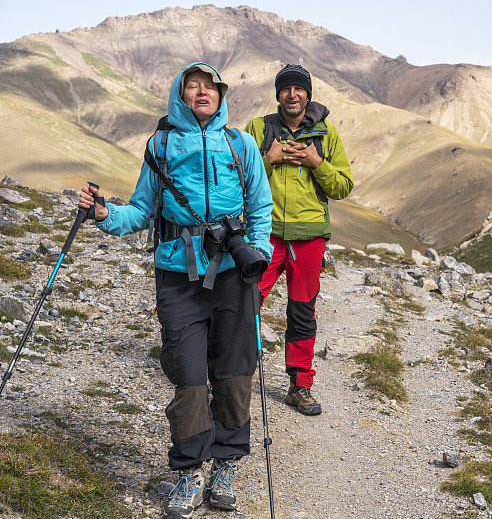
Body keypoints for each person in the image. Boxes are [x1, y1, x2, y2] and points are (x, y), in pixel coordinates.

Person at [78, 62, 274, 519]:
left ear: (222, 94)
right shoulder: (161, 145)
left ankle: (226, 464)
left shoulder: (241, 144)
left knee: (234, 372)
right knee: (186, 373)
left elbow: (261, 207)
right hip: (177, 275)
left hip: (232, 273)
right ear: (180, 94)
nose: (202, 92)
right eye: (193, 86)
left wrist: (258, 253)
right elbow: (142, 210)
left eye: (210, 86)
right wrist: (107, 216)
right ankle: (189, 471)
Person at [245, 64, 353, 416]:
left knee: (302, 311)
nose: (292, 94)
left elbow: (342, 187)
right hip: (264, 234)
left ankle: (300, 385)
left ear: (308, 93)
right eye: (286, 88)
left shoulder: (327, 135)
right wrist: (269, 158)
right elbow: (236, 176)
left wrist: (316, 162)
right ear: (277, 94)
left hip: (309, 239)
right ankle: (232, 376)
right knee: (245, 303)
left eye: (299, 88)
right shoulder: (258, 129)